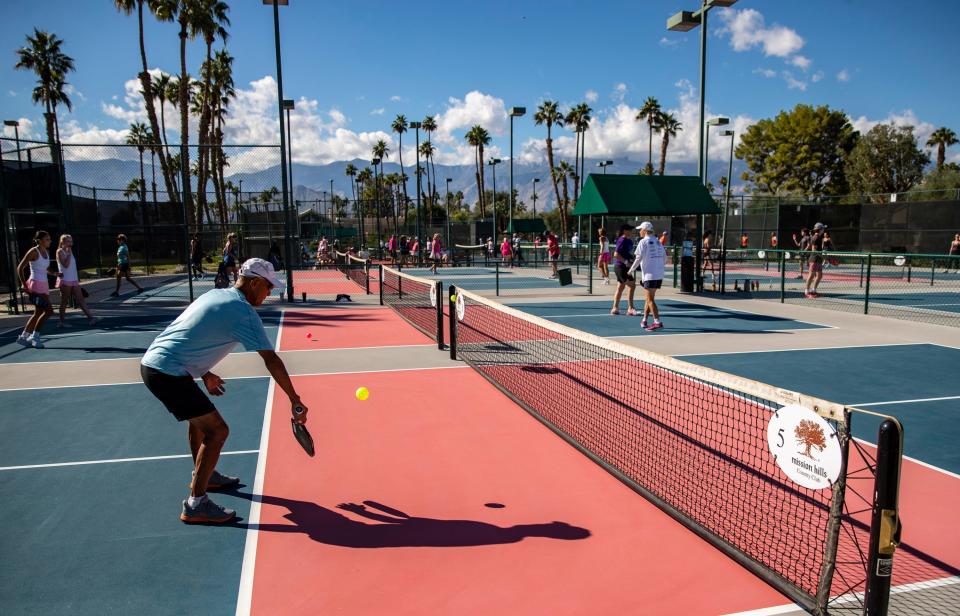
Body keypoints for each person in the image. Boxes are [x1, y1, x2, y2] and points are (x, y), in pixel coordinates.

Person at [141, 258, 307, 524]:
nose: (270, 293)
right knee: (217, 431)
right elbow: (271, 360)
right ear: (254, 282)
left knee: (199, 421)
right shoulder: (243, 311)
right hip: (167, 373)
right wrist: (295, 400)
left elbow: (186, 335)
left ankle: (205, 474)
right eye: (267, 287)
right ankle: (196, 504)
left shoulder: (216, 295)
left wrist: (204, 372)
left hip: (156, 365)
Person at [16, 230, 55, 348]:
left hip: (44, 285)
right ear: (40, 240)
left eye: (49, 239)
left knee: (38, 313)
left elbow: (44, 268)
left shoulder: (47, 252)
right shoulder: (33, 252)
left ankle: (23, 336)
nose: (50, 241)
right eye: (47, 239)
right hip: (35, 285)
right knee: (49, 311)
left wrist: (54, 274)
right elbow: (20, 268)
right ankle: (35, 336)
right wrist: (24, 285)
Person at [628, 222, 666, 331]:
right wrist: (657, 268)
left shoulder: (643, 242)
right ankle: (644, 320)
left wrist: (630, 271)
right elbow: (664, 258)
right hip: (658, 276)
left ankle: (657, 322)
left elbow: (638, 258)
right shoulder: (658, 242)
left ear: (645, 230)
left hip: (650, 276)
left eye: (640, 229)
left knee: (650, 300)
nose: (639, 231)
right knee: (649, 299)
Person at [55, 234, 97, 328]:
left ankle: (91, 318)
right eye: (68, 241)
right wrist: (69, 253)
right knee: (64, 301)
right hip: (65, 280)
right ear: (63, 242)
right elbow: (65, 265)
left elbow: (72, 267)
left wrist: (77, 279)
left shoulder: (70, 251)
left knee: (81, 299)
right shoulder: (59, 251)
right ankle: (61, 322)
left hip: (74, 280)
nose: (70, 243)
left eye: (71, 241)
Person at [610, 224, 637, 316]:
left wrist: (633, 259)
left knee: (621, 287)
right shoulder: (622, 240)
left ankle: (615, 308)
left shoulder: (629, 241)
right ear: (625, 231)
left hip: (625, 267)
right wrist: (626, 262)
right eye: (629, 230)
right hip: (620, 267)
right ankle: (630, 308)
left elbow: (627, 253)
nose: (631, 231)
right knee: (632, 286)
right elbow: (616, 254)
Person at [804, 222, 827, 298]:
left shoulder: (819, 237)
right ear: (820, 229)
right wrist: (823, 257)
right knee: (811, 275)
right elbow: (814, 250)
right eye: (823, 228)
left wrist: (822, 256)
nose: (824, 229)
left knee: (819, 275)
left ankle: (813, 290)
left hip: (818, 259)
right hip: (814, 259)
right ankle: (807, 291)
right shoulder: (815, 238)